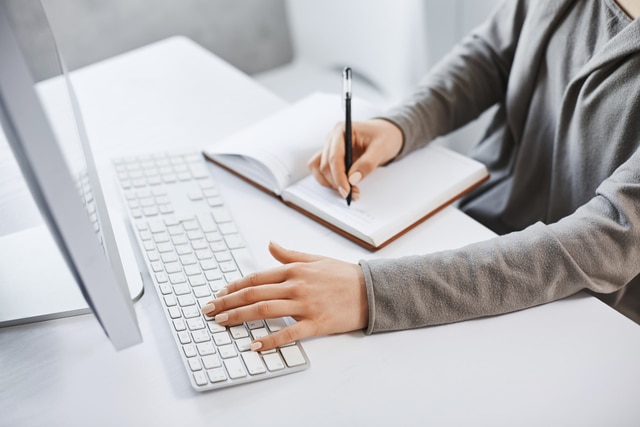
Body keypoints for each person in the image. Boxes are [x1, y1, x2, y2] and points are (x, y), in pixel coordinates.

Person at [202, 0, 640, 352]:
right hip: (471, 239)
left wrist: (369, 292)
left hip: (585, 315)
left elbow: (605, 239)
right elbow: (490, 55)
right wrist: (399, 126)